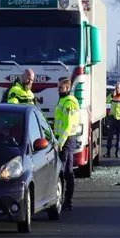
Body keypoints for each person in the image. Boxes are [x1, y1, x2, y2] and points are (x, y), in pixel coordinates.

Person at [53, 77, 80, 211]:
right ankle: (67, 201)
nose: (58, 89)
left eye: (60, 87)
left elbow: (67, 126)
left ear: (67, 88)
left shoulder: (68, 102)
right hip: (66, 139)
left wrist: (60, 143)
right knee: (68, 171)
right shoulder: (64, 100)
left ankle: (61, 199)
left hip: (66, 139)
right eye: (58, 87)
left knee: (61, 170)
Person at [105, 82, 120, 159]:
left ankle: (117, 152)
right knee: (110, 136)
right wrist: (112, 95)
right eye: (116, 88)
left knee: (119, 137)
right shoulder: (113, 96)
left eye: (118, 88)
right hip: (113, 118)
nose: (117, 89)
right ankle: (108, 152)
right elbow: (106, 101)